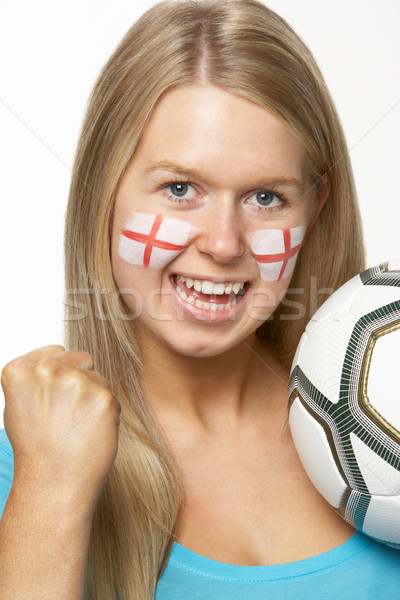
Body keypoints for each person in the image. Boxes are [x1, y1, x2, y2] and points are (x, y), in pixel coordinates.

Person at [0, 0, 399, 598]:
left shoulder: (384, 423)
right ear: (102, 192)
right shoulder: (25, 463)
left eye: (266, 197)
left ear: (315, 209)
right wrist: (51, 490)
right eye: (180, 188)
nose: (222, 243)